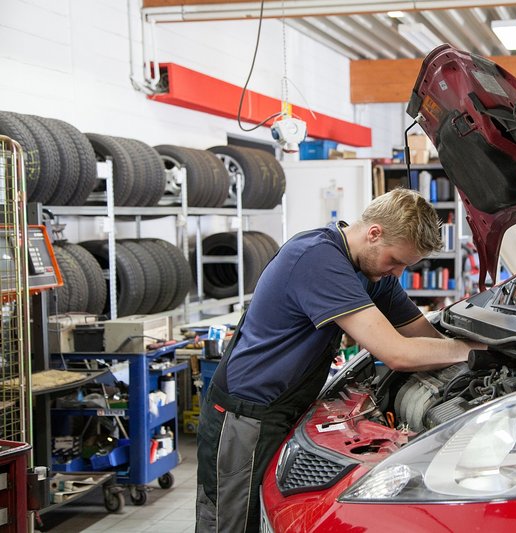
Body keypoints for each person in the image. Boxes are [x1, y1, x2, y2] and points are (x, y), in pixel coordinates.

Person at [195, 188, 482, 532]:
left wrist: (478, 355)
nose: (398, 273)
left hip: (286, 405)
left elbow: (423, 339)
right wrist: (473, 351)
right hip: (248, 412)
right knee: (233, 521)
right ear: (374, 233)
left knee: (268, 514)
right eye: (395, 261)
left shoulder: (375, 274)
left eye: (406, 265)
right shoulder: (318, 259)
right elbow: (398, 353)